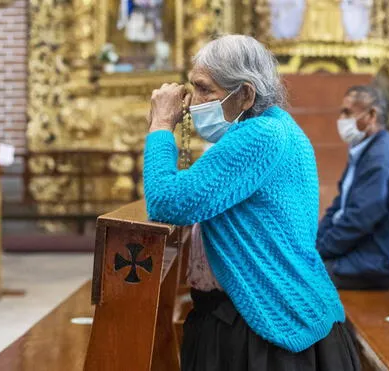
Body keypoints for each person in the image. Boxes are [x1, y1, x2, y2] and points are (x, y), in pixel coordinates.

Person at [144, 35, 360, 371]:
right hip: (257, 311)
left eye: (204, 89)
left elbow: (166, 202)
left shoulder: (259, 136)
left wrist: (160, 126)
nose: (192, 102)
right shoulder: (274, 127)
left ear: (245, 94)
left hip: (265, 329)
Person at [317, 85, 389, 290]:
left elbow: (358, 220)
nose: (341, 119)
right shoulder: (365, 152)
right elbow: (338, 208)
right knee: (294, 271)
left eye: (348, 112)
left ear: (371, 115)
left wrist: (318, 251)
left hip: (373, 263)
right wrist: (313, 244)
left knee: (292, 280)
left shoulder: (381, 159)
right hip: (358, 255)